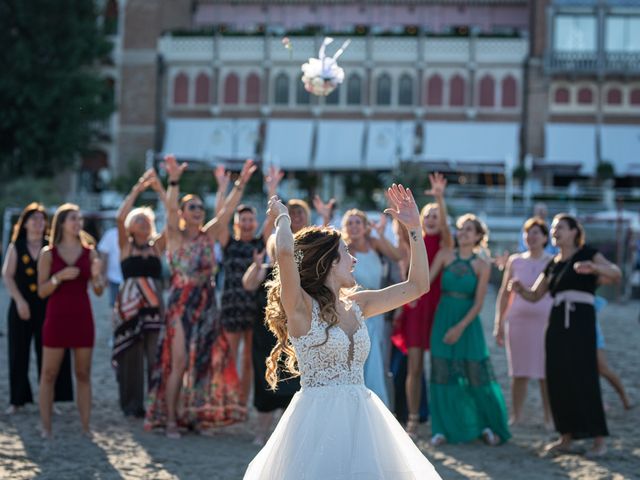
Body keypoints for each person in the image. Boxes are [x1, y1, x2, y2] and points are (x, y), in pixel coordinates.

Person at [244, 185, 441, 479]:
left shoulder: (359, 304)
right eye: (346, 252)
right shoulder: (300, 307)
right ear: (328, 263)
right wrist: (282, 218)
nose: (355, 259)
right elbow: (285, 252)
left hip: (363, 417)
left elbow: (418, 286)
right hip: (314, 422)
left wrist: (414, 228)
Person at [144, 155, 254, 438]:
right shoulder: (175, 235)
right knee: (178, 362)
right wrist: (174, 180)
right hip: (181, 303)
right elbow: (169, 207)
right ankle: (171, 419)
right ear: (182, 213)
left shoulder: (209, 235)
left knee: (203, 362)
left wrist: (240, 183)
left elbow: (228, 210)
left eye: (199, 207)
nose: (197, 211)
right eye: (191, 207)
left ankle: (196, 416)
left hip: (206, 301)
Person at [510, 213, 621, 457]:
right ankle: (566, 436)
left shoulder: (587, 254)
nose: (554, 231)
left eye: (560, 227)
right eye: (553, 228)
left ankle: (599, 439)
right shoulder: (553, 264)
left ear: (574, 231)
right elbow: (535, 295)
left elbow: (615, 273)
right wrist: (519, 289)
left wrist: (594, 267)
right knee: (558, 378)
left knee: (585, 376)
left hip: (581, 321)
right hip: (557, 322)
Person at [428, 214, 510, 446]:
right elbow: (425, 281)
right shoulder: (444, 255)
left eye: (469, 230)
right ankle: (441, 429)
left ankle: (484, 425)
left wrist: (459, 328)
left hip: (467, 323)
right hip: (443, 317)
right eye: (461, 228)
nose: (463, 233)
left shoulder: (482, 265)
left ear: (478, 236)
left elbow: (479, 303)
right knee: (442, 374)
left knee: (474, 375)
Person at [391, 172, 453, 436]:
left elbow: (447, 229)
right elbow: (401, 234)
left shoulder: (445, 244)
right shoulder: (414, 241)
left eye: (435, 217)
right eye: (427, 215)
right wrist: (402, 211)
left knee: (441, 366)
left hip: (438, 308)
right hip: (415, 306)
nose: (431, 220)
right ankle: (414, 418)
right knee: (414, 366)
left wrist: (439, 198)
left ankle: (442, 419)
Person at [37, 203, 105, 437]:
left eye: (80, 219)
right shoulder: (48, 253)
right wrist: (59, 277)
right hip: (56, 317)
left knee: (83, 373)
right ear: (62, 223)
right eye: (73, 219)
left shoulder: (90, 252)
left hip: (82, 316)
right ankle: (46, 427)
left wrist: (97, 278)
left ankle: (86, 427)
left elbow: (98, 291)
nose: (78, 223)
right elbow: (42, 291)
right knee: (48, 374)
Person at [219, 165, 282, 406]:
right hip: (232, 305)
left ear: (254, 221)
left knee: (248, 359)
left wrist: (272, 188)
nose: (246, 223)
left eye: (249, 219)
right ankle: (226, 401)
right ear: (237, 223)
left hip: (254, 308)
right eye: (242, 219)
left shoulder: (260, 242)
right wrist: (233, 187)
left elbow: (272, 217)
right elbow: (221, 216)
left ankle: (241, 403)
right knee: (230, 356)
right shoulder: (229, 243)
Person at [2, 203, 73, 414]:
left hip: (47, 306)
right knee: (18, 353)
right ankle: (17, 400)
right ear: (24, 224)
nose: (38, 223)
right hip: (21, 306)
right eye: (34, 219)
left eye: (42, 220)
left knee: (48, 353)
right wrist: (19, 301)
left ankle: (50, 399)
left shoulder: (50, 248)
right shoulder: (17, 246)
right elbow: (7, 275)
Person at [112, 169, 166, 417]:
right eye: (138, 219)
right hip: (129, 307)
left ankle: (155, 404)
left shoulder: (157, 247)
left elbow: (175, 220)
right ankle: (132, 406)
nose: (143, 221)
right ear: (131, 226)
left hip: (154, 307)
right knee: (130, 356)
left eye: (146, 218)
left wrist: (160, 191)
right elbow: (119, 216)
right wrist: (138, 189)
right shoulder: (125, 246)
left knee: (156, 358)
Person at [494, 217, 553, 428]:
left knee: (546, 372)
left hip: (546, 324)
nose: (531, 236)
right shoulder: (515, 261)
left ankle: (549, 417)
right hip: (518, 322)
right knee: (518, 372)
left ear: (546, 237)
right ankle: (517, 415)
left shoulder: (552, 261)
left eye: (537, 232)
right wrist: (498, 323)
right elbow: (503, 293)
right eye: (528, 232)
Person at [341, 208, 402, 406]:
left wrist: (382, 234)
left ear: (366, 226)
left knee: (378, 360)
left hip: (377, 308)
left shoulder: (375, 244)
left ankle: (376, 405)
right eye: (350, 223)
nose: (354, 226)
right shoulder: (344, 250)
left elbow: (397, 256)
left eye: (358, 222)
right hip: (352, 310)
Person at [242, 236, 299, 446]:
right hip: (264, 339)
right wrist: (256, 266)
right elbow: (248, 284)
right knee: (265, 384)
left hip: (291, 338)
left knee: (291, 385)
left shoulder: (296, 275)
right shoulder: (263, 270)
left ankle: (285, 436)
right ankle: (261, 433)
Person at [98, 224, 123, 307]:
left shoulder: (134, 233)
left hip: (131, 279)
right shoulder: (110, 234)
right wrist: (103, 274)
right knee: (115, 306)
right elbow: (104, 256)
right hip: (113, 278)